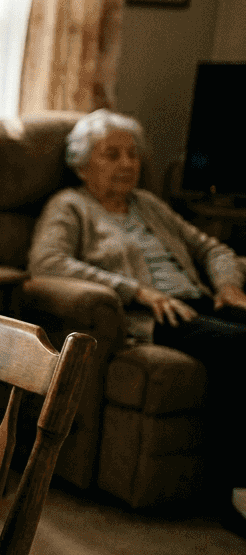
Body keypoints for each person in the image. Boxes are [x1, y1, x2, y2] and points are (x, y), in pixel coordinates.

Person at [29, 108, 246, 528]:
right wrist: (136, 291)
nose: (128, 164)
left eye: (132, 154)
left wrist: (227, 285)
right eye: (111, 155)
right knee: (239, 346)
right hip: (151, 316)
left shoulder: (147, 204)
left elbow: (213, 249)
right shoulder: (70, 206)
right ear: (82, 163)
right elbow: (47, 262)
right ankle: (237, 490)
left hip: (199, 302)